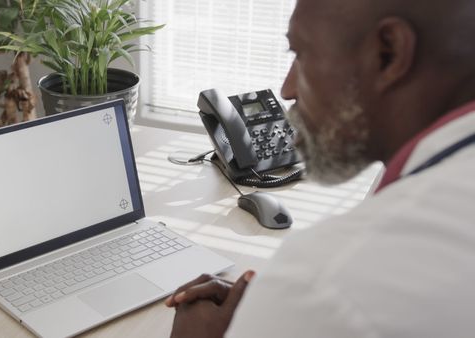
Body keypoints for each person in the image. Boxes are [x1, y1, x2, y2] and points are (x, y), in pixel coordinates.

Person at [166, 0, 475, 337]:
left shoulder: (326, 278)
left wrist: (291, 305)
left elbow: (336, 296)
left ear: (388, 53)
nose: (288, 89)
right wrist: (283, 314)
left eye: (301, 54)